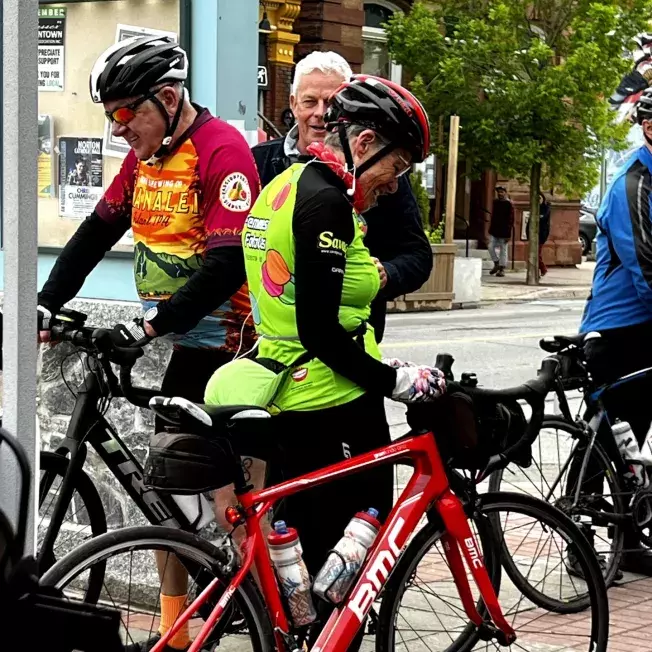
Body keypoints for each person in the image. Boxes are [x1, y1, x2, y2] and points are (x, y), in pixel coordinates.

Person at [36, 36, 260, 651]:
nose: (117, 129)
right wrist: (47, 300)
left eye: (123, 113)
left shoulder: (223, 151)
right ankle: (177, 627)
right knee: (168, 488)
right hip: (182, 344)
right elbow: (95, 230)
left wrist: (149, 327)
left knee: (225, 496)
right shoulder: (146, 158)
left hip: (230, 352)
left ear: (166, 97)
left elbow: (226, 264)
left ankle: (268, 602)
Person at [206, 74, 446, 647]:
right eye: (399, 166)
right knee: (350, 573)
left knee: (308, 579)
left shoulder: (286, 186)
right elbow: (318, 330)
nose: (395, 184)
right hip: (331, 405)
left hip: (292, 398)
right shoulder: (327, 206)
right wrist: (395, 381)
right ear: (364, 144)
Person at [252, 51, 432, 342]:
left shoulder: (385, 173)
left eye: (332, 103)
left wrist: (386, 273)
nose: (321, 113)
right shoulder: (260, 162)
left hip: (352, 337)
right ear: (293, 104)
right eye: (310, 101)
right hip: (271, 338)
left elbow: (418, 255)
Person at [578, 86, 652, 576]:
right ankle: (578, 543)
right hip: (619, 328)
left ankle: (628, 544)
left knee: (633, 444)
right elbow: (644, 262)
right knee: (605, 442)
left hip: (645, 326)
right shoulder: (633, 181)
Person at [488, 186, 514, 277]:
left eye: (502, 192)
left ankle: (502, 268)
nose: (500, 194)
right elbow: (494, 216)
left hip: (504, 231)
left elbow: (511, 219)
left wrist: (508, 233)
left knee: (503, 250)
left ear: (505, 193)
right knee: (490, 247)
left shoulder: (508, 204)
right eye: (499, 192)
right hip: (494, 230)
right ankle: (496, 263)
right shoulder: (495, 202)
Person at [526, 191, 551, 277]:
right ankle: (538, 271)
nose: (538, 200)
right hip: (533, 234)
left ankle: (543, 269)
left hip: (541, 234)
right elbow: (529, 222)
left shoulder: (546, 207)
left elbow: (543, 218)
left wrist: (537, 217)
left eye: (539, 198)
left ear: (543, 199)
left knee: (537, 253)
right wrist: (527, 234)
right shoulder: (533, 208)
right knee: (533, 253)